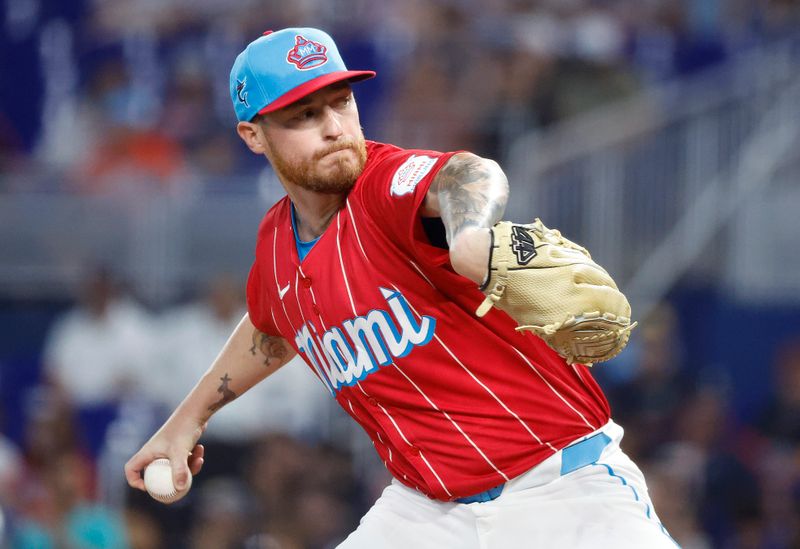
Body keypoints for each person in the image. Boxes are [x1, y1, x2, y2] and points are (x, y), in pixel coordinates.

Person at [125, 27, 676, 548]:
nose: (335, 127)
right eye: (305, 115)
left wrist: (469, 237)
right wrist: (186, 421)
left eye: (341, 101)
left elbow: (466, 173)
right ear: (253, 134)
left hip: (560, 488)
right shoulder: (275, 248)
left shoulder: (384, 186)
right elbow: (274, 327)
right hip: (426, 515)